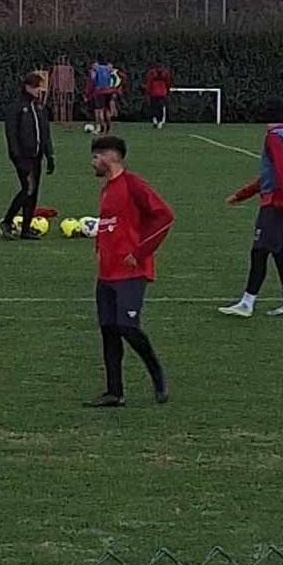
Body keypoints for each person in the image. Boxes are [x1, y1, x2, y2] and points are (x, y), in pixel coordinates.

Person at [86, 134, 173, 408]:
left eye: (96, 157)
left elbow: (164, 216)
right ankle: (114, 392)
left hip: (131, 273)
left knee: (127, 326)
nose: (93, 163)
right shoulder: (107, 189)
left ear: (110, 156)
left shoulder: (133, 185)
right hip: (107, 273)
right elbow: (111, 223)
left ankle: (157, 374)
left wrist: (140, 252)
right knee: (108, 330)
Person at [219, 102, 283, 319]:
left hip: (274, 204)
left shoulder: (273, 138)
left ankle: (247, 303)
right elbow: (274, 174)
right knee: (281, 252)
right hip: (282, 200)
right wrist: (242, 194)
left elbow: (281, 173)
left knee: (259, 252)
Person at [0, 71, 55, 240]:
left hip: (36, 156)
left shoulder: (39, 109)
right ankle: (7, 222)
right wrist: (16, 157)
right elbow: (12, 135)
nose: (40, 90)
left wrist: (49, 155)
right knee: (27, 188)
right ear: (27, 87)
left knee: (33, 192)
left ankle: (26, 228)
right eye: (36, 87)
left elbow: (45, 134)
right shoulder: (16, 108)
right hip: (23, 157)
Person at [87, 58, 116, 133]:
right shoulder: (108, 69)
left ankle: (101, 127)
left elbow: (93, 81)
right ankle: (109, 125)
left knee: (99, 110)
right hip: (108, 91)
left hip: (99, 92)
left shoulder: (95, 70)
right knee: (107, 110)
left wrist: (88, 94)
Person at [145, 63, 173, 129]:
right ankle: (160, 122)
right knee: (161, 107)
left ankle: (155, 120)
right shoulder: (165, 73)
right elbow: (168, 83)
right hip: (162, 93)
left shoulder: (151, 73)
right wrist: (168, 91)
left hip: (153, 93)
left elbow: (149, 83)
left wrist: (148, 92)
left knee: (154, 107)